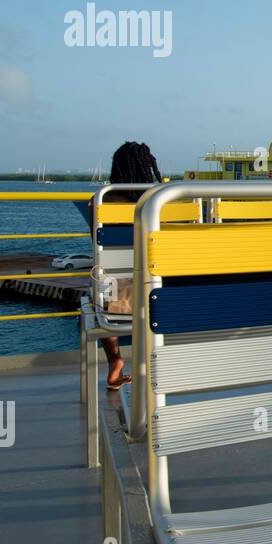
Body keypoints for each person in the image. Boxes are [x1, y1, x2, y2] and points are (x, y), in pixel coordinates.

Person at [98, 141, 162, 390]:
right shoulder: (162, 202)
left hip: (117, 294)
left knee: (102, 288)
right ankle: (150, 359)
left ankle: (115, 359)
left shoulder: (102, 202)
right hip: (159, 289)